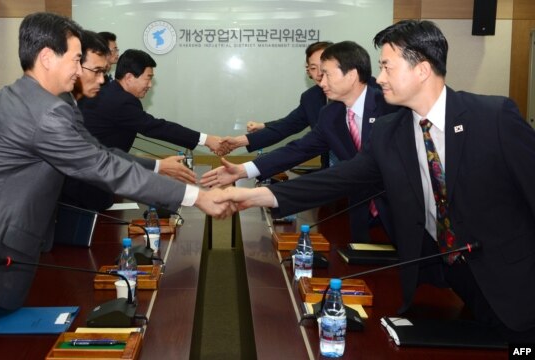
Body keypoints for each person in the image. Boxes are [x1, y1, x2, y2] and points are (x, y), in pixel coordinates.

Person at [0, 12, 234, 359]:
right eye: (77, 59)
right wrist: (195, 197)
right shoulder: (42, 112)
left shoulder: (47, 103)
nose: (81, 69)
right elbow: (102, 166)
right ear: (47, 57)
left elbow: (98, 153)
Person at [217, 20, 535, 342]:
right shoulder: (389, 131)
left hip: (517, 283)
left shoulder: (492, 117)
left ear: (422, 69)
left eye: (387, 66)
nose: (379, 77)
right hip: (453, 279)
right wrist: (258, 196)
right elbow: (339, 179)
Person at [202, 41, 399, 243]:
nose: (321, 82)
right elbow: (298, 149)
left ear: (351, 75)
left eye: (327, 74)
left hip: (400, 210)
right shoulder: (331, 114)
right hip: (358, 208)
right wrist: (243, 170)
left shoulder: (391, 107)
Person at [61, 30, 195, 210]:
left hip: (92, 191)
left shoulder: (76, 105)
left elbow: (100, 152)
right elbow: (98, 157)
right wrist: (161, 168)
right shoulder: (55, 109)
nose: (102, 80)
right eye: (97, 71)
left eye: (104, 71)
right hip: (73, 199)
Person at [80, 49, 227, 156]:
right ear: (130, 77)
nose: (150, 85)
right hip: (87, 182)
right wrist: (206, 140)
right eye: (148, 78)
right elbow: (157, 127)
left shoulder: (111, 92)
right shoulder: (121, 101)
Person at [221, 41, 333, 156]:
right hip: (330, 170)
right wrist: (238, 142)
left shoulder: (349, 98)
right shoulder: (311, 97)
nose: (319, 73)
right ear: (308, 71)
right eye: (314, 68)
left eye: (324, 67)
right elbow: (287, 125)